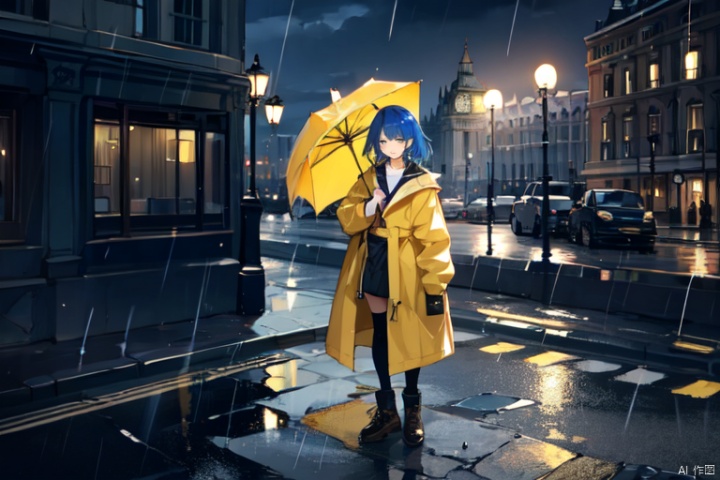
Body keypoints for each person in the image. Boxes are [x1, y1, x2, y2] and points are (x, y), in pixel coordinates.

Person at [325, 105, 455, 447]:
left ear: (409, 139)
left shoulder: (422, 183)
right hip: (375, 260)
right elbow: (347, 218)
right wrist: (370, 206)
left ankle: (412, 409)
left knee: (410, 334)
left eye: (397, 138)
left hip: (409, 266)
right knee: (382, 332)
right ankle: (388, 411)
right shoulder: (368, 179)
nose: (390, 145)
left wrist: (434, 282)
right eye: (384, 139)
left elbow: (435, 237)